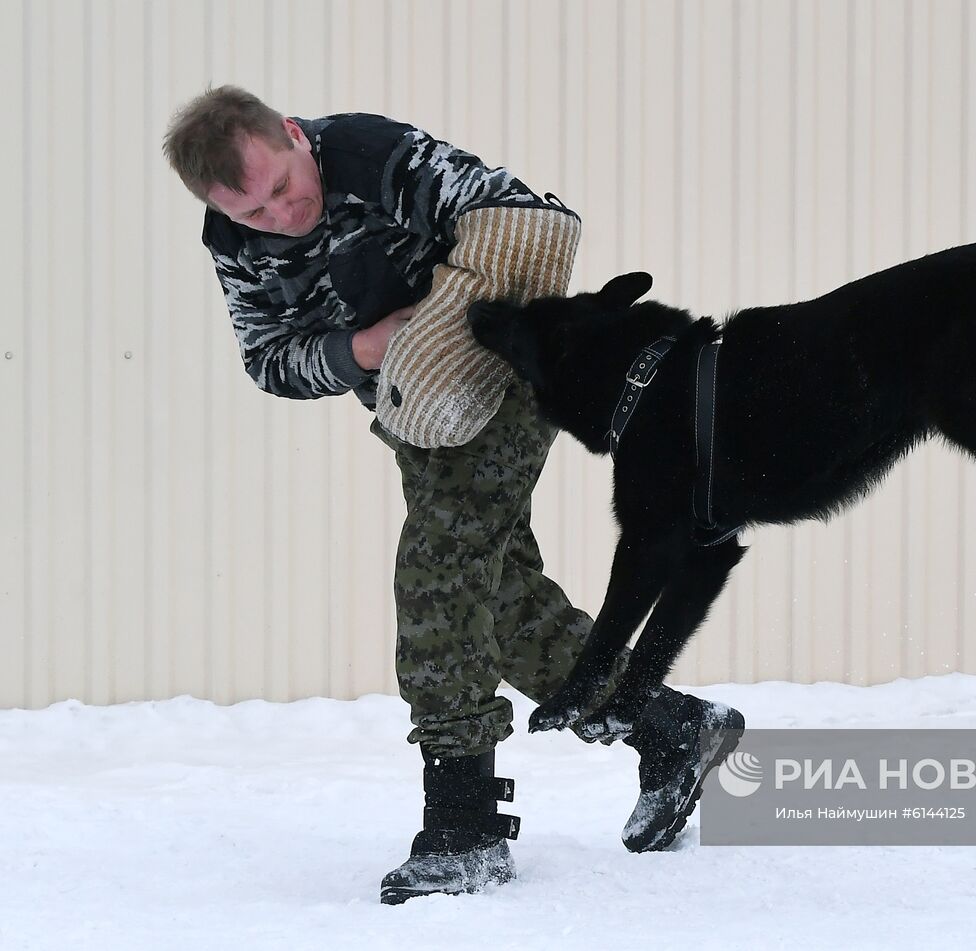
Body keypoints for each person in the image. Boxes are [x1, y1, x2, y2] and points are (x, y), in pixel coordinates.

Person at [162, 85, 744, 904]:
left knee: (438, 573)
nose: (283, 216)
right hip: (418, 415)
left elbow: (507, 210)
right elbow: (269, 358)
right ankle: (672, 730)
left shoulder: (370, 154)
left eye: (286, 187)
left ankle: (464, 825)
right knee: (502, 611)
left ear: (294, 135)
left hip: (507, 375)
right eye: (256, 212)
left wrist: (442, 319)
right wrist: (364, 347)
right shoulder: (233, 240)